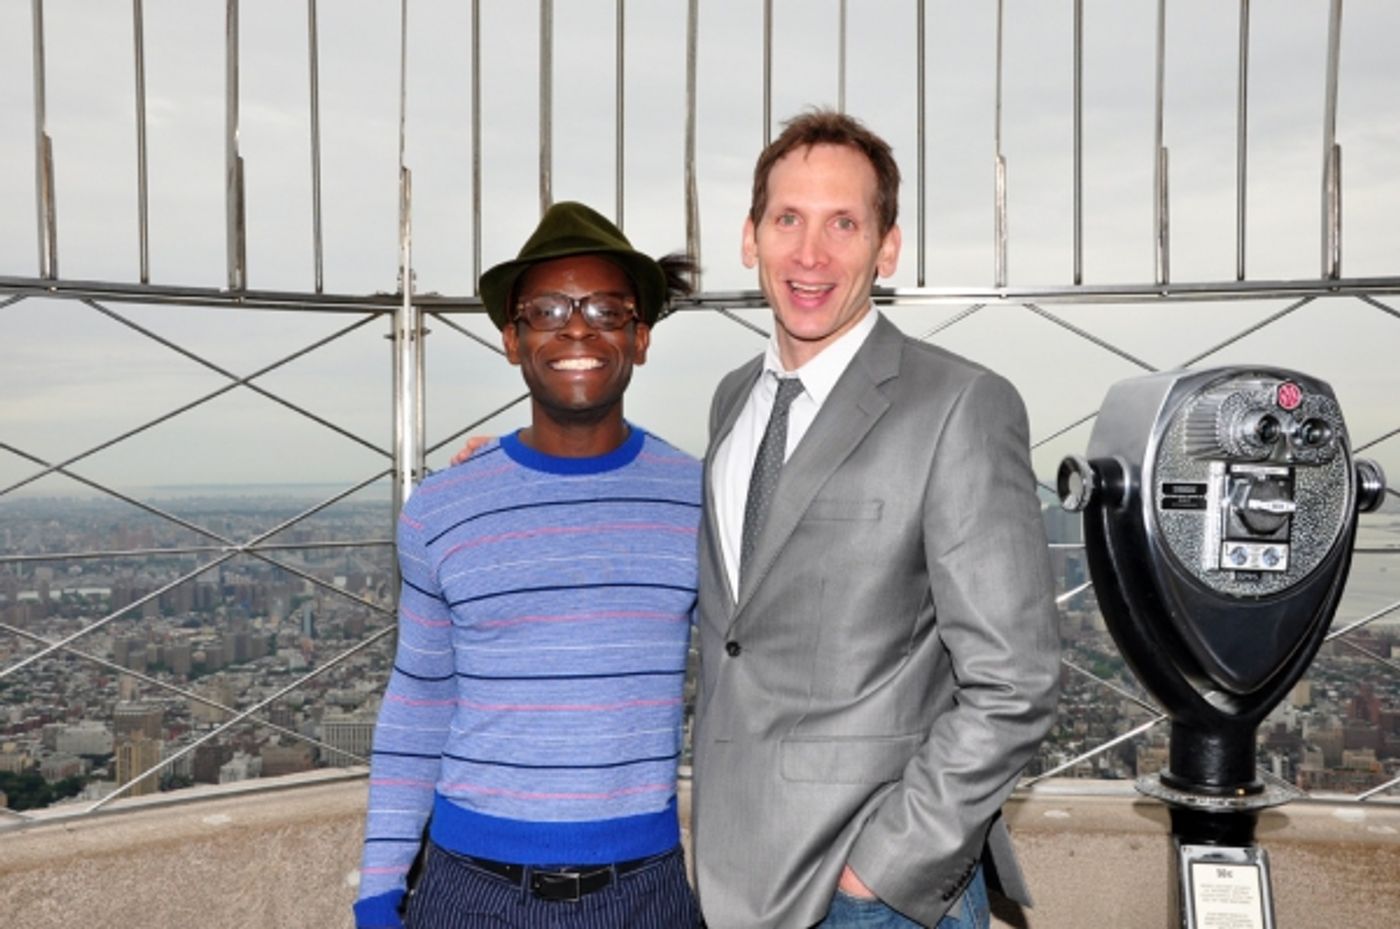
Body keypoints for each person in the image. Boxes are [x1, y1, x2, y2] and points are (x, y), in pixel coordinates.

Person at [689, 110, 1061, 928]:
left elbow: (1017, 678)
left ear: (887, 248)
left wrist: (884, 870)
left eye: (843, 223)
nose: (810, 254)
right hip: (730, 874)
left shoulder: (960, 403)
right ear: (749, 237)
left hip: (872, 895)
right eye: (788, 219)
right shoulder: (732, 402)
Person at [353, 201, 704, 929]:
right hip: (467, 891)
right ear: (513, 341)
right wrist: (379, 888)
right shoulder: (442, 509)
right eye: (546, 310)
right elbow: (418, 704)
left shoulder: (700, 500)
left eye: (607, 309)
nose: (577, 327)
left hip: (646, 892)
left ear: (640, 339)